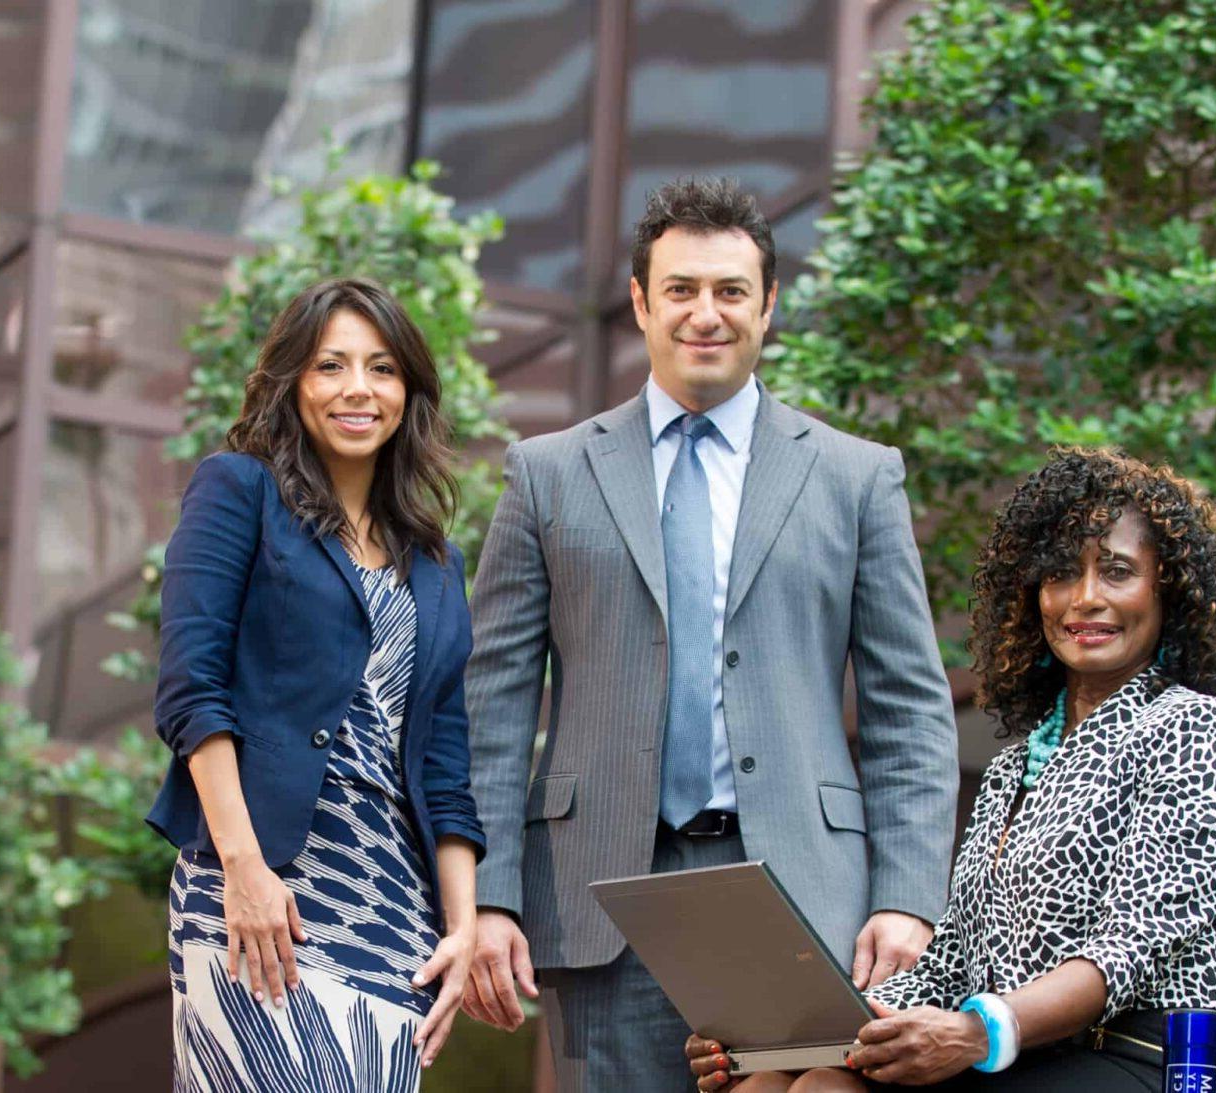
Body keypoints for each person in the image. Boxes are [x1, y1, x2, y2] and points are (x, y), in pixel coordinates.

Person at [462, 177, 962, 1091]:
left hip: (806, 899)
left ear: (768, 304)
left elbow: (911, 713)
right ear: (642, 302)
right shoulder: (546, 475)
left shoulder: (857, 479)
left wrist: (907, 896)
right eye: (682, 289)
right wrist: (489, 897)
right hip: (603, 894)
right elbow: (492, 711)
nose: (707, 314)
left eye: (731, 291)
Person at [686, 447, 1216, 1091]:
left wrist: (975, 1031)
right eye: (1060, 576)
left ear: (1169, 591)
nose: (1086, 599)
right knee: (784, 1082)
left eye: (1118, 572)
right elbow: (952, 964)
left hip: (1151, 1054)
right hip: (1022, 1053)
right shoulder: (1015, 767)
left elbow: (1132, 945)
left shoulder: (1196, 727)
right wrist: (791, 1034)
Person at [149, 278, 485, 1091]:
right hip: (262, 895)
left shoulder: (437, 565)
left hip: (393, 913)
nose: (358, 389)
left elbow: (444, 759)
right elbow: (192, 690)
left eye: (381, 368)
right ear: (293, 380)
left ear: (410, 390)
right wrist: (244, 866)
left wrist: (465, 927)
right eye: (331, 365)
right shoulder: (240, 490)